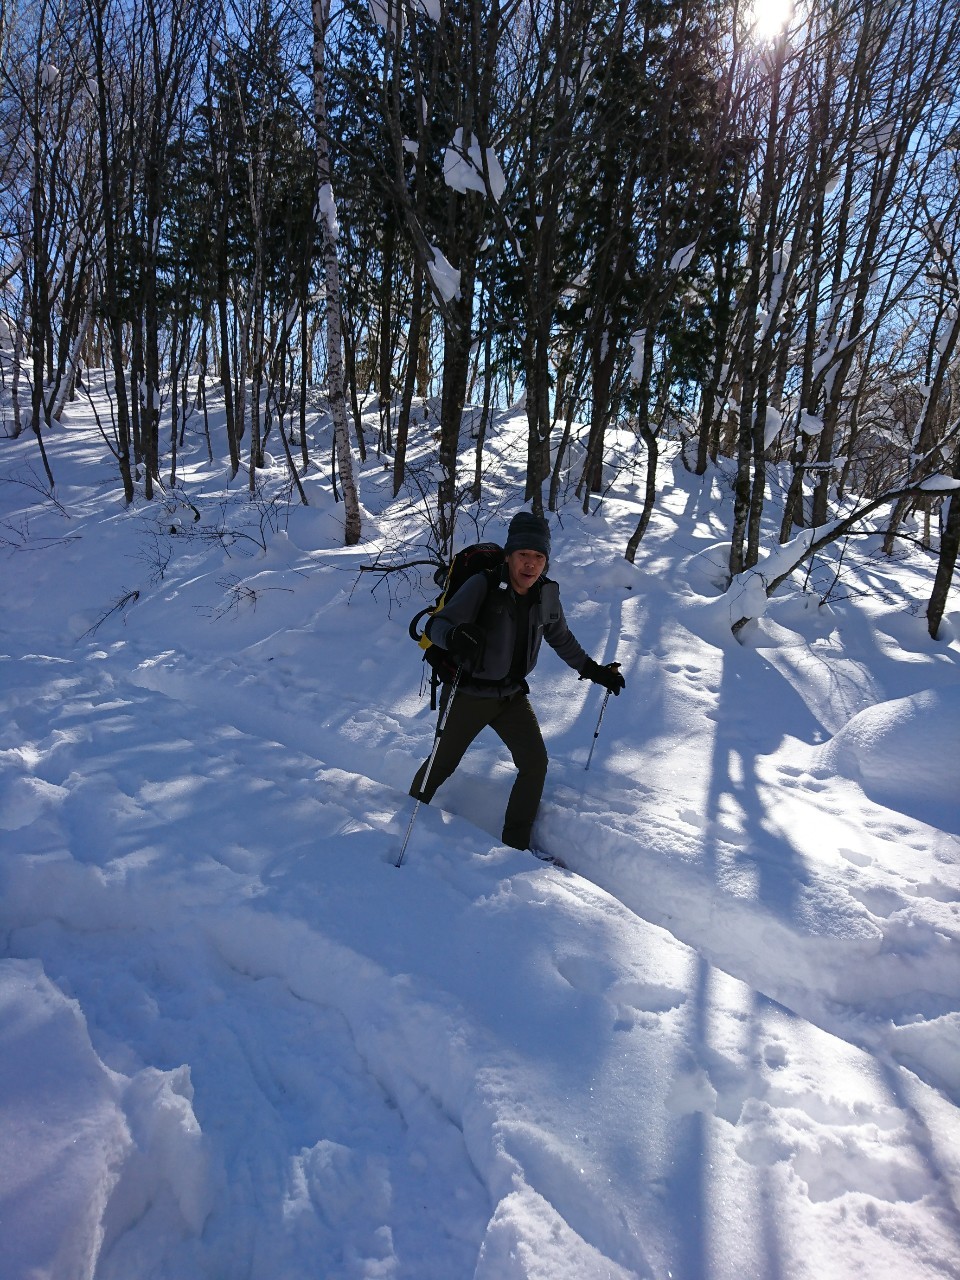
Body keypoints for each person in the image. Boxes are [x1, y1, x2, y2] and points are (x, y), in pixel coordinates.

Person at [409, 511, 625, 854]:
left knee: (535, 763)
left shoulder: (546, 594)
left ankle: (515, 847)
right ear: (509, 556)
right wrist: (454, 636)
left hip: (510, 696)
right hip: (468, 694)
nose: (531, 563)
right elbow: (435, 626)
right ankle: (408, 816)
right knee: (442, 764)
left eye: (539, 556)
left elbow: (561, 638)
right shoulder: (482, 585)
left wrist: (594, 670)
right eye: (523, 554)